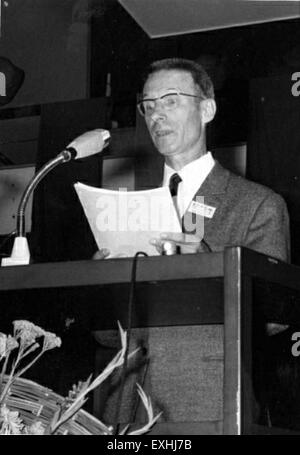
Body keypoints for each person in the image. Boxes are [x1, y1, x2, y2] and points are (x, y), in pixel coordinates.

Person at [96, 57, 290, 262]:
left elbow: (267, 293)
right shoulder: (132, 215)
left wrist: (205, 264)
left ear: (207, 111)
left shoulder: (259, 205)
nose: (156, 115)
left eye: (170, 101)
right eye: (149, 105)